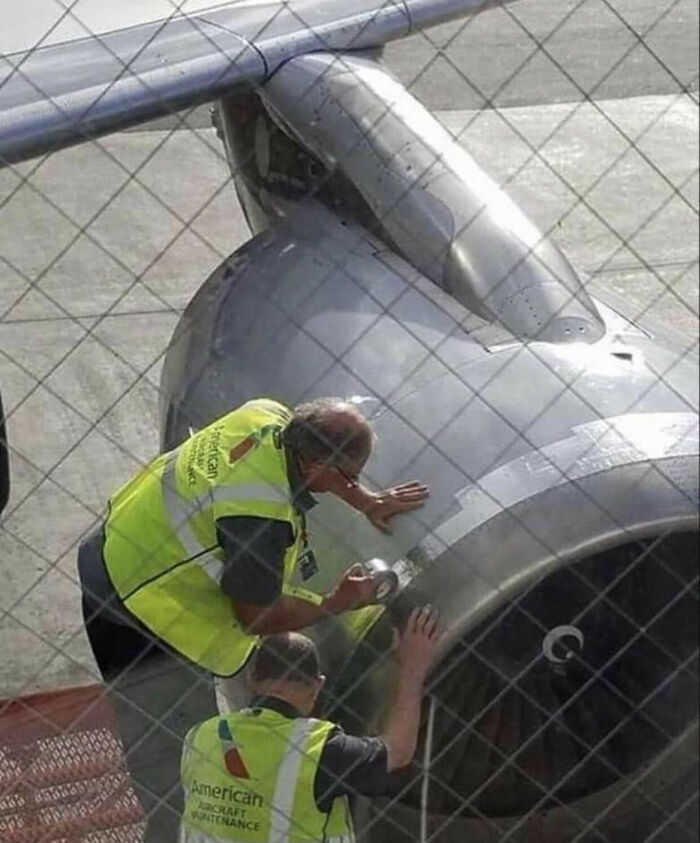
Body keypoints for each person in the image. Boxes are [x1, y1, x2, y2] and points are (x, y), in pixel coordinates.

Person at [77, 396, 428, 841]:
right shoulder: (258, 519)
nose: (353, 484)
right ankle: (171, 829)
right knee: (173, 754)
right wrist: (338, 601)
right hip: (135, 609)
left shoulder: (268, 416)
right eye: (350, 476)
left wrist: (366, 500)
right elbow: (257, 617)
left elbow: (321, 463)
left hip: (119, 543)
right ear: (316, 464)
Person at [179, 606, 441, 842]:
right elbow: (398, 751)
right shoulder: (319, 751)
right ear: (317, 685)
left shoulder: (199, 737)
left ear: (251, 678)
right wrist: (413, 669)